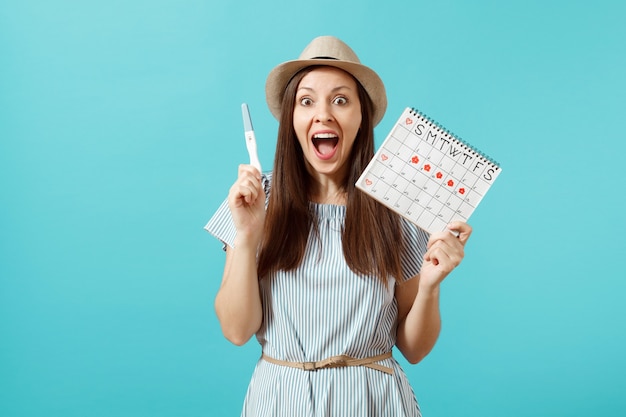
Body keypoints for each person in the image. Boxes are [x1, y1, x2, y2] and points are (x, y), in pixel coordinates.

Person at [205, 35, 472, 417]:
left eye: (341, 100)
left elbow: (414, 349)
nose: (324, 114)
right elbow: (235, 330)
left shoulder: (395, 207)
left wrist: (431, 285)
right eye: (307, 100)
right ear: (291, 118)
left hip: (375, 402)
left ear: (362, 116)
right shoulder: (255, 200)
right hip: (281, 401)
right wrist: (247, 236)